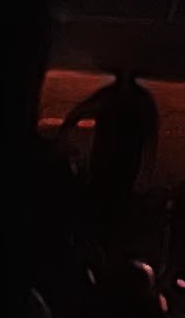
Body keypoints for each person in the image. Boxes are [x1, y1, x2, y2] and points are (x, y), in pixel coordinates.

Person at [69, 69, 163, 218]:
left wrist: (144, 175)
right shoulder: (124, 98)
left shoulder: (134, 99)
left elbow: (150, 139)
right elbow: (151, 139)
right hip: (109, 165)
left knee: (110, 207)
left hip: (120, 167)